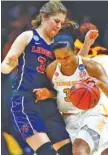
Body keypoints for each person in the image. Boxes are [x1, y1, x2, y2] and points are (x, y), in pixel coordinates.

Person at [1, 1, 98, 155]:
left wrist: (87, 44)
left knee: (68, 152)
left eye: (62, 23)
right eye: (56, 21)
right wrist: (9, 64)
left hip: (49, 104)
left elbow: (75, 66)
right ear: (44, 17)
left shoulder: (57, 45)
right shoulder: (28, 36)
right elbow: (4, 68)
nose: (59, 26)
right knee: (47, 152)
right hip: (25, 102)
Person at [34, 28, 108, 155]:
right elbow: (57, 93)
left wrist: (99, 84)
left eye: (67, 57)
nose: (63, 61)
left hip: (92, 114)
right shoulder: (52, 70)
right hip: (67, 118)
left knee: (79, 150)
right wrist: (47, 93)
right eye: (59, 58)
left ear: (74, 51)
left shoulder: (91, 66)